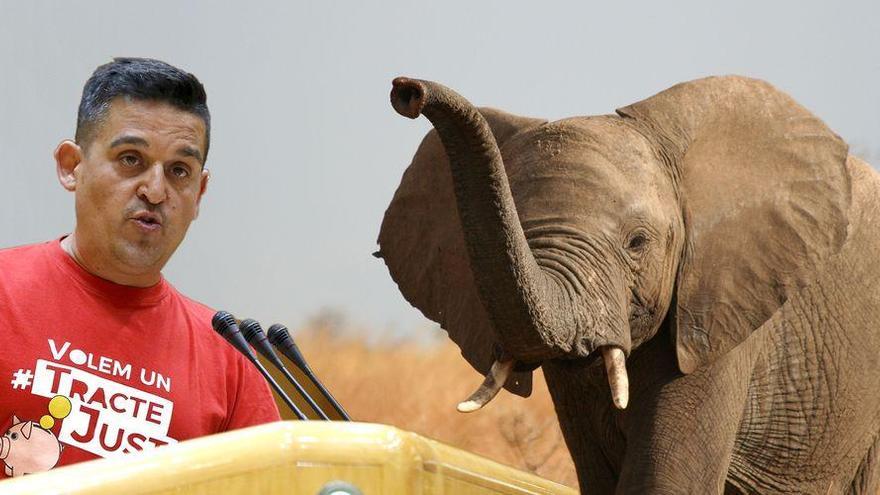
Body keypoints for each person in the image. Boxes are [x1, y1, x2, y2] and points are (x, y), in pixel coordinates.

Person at [0, 58, 280, 477]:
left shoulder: (230, 359)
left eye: (179, 171)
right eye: (131, 159)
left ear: (199, 192)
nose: (154, 190)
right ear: (71, 166)